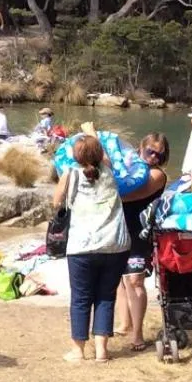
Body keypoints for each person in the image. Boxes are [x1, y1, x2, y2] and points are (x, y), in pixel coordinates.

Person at [53, 135, 130, 363]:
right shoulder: (109, 170)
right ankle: (101, 351)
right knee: (106, 297)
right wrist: (95, 137)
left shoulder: (70, 173)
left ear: (75, 156)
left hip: (82, 247)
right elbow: (103, 157)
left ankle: (78, 350)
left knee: (81, 298)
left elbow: (56, 202)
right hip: (115, 244)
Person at [116, 132, 170, 352]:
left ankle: (138, 334)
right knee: (120, 279)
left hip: (140, 233)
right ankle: (124, 324)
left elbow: (131, 195)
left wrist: (105, 190)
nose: (154, 157)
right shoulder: (129, 168)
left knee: (136, 281)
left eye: (160, 154)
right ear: (141, 148)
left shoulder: (157, 175)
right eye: (151, 151)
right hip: (118, 229)